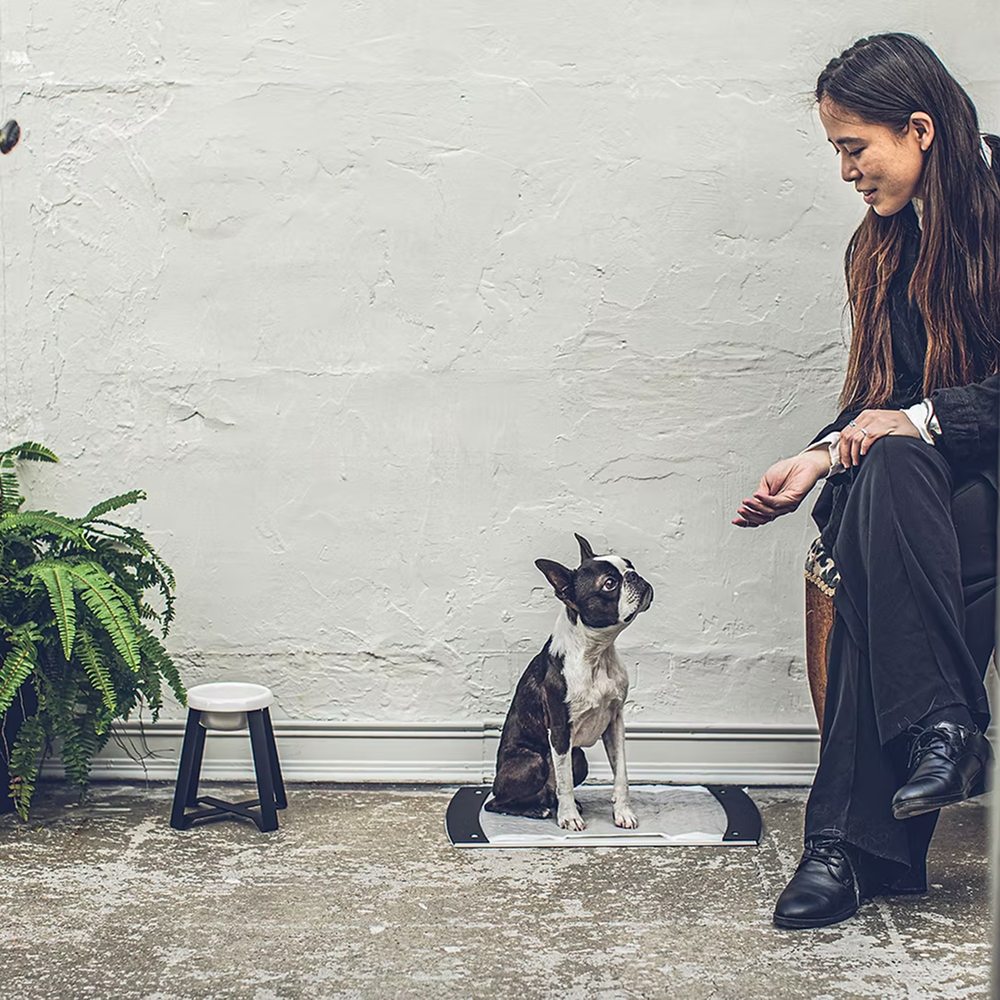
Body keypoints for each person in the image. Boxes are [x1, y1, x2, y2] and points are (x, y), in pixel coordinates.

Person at [734, 32, 1000, 929]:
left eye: (855, 147)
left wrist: (919, 423)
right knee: (880, 481)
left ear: (919, 129)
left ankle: (846, 846)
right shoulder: (881, 245)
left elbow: (912, 414)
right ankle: (946, 729)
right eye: (837, 151)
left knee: (884, 533)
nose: (846, 171)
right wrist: (817, 458)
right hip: (932, 486)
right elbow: (880, 400)